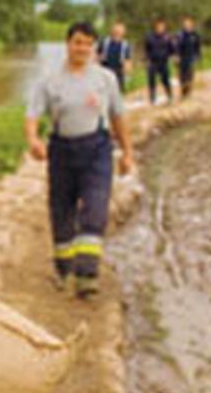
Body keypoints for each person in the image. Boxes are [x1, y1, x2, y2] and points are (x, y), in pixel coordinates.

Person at [25, 21, 134, 299]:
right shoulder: (50, 80)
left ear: (94, 47)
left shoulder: (105, 79)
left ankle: (87, 275)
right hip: (61, 150)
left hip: (97, 148)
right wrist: (33, 139)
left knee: (96, 208)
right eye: (78, 42)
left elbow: (118, 117)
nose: (82, 48)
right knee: (62, 211)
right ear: (68, 44)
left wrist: (127, 152)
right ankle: (64, 269)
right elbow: (33, 114)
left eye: (88, 43)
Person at [143, 18, 177, 105]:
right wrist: (146, 60)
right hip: (153, 61)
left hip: (164, 61)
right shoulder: (150, 37)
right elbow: (147, 49)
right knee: (151, 80)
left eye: (162, 27)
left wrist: (174, 57)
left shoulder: (168, 37)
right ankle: (152, 99)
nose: (160, 28)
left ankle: (170, 96)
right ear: (155, 27)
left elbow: (172, 49)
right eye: (158, 27)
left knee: (165, 80)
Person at [95, 22, 132, 92]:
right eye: (116, 31)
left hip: (118, 72)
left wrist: (127, 71)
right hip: (105, 71)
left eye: (119, 32)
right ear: (112, 31)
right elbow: (96, 56)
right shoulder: (104, 42)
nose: (117, 33)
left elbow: (128, 60)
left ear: (123, 33)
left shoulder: (125, 45)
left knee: (117, 94)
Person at [176, 16, 202, 98]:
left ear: (192, 24)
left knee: (190, 73)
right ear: (183, 25)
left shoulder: (195, 35)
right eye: (185, 24)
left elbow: (198, 47)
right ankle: (184, 89)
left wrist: (198, 56)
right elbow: (176, 46)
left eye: (189, 24)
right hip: (181, 57)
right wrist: (176, 56)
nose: (187, 25)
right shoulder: (179, 34)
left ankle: (189, 88)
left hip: (191, 57)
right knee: (182, 75)